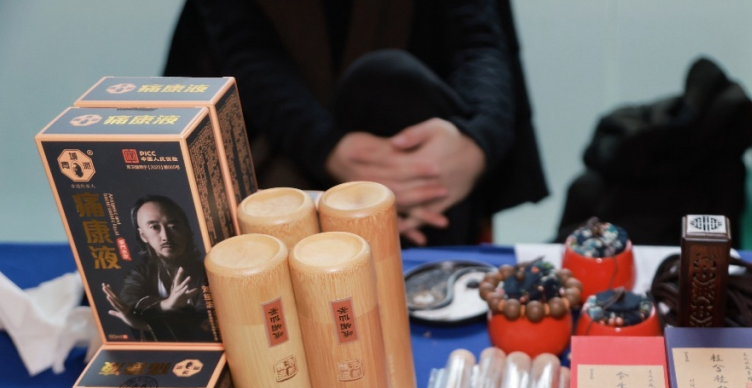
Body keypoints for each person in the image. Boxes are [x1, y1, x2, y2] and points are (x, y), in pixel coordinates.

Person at [172, 0, 548, 246]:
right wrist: (328, 149)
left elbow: (477, 39)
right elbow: (247, 51)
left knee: (387, 80)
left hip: (428, 151)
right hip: (286, 142)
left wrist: (476, 143)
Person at [102, 195, 213, 342]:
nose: (166, 236)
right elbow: (129, 301)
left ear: (186, 229)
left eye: (173, 227)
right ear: (143, 235)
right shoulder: (140, 274)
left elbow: (204, 325)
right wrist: (166, 305)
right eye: (154, 227)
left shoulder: (208, 272)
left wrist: (142, 323)